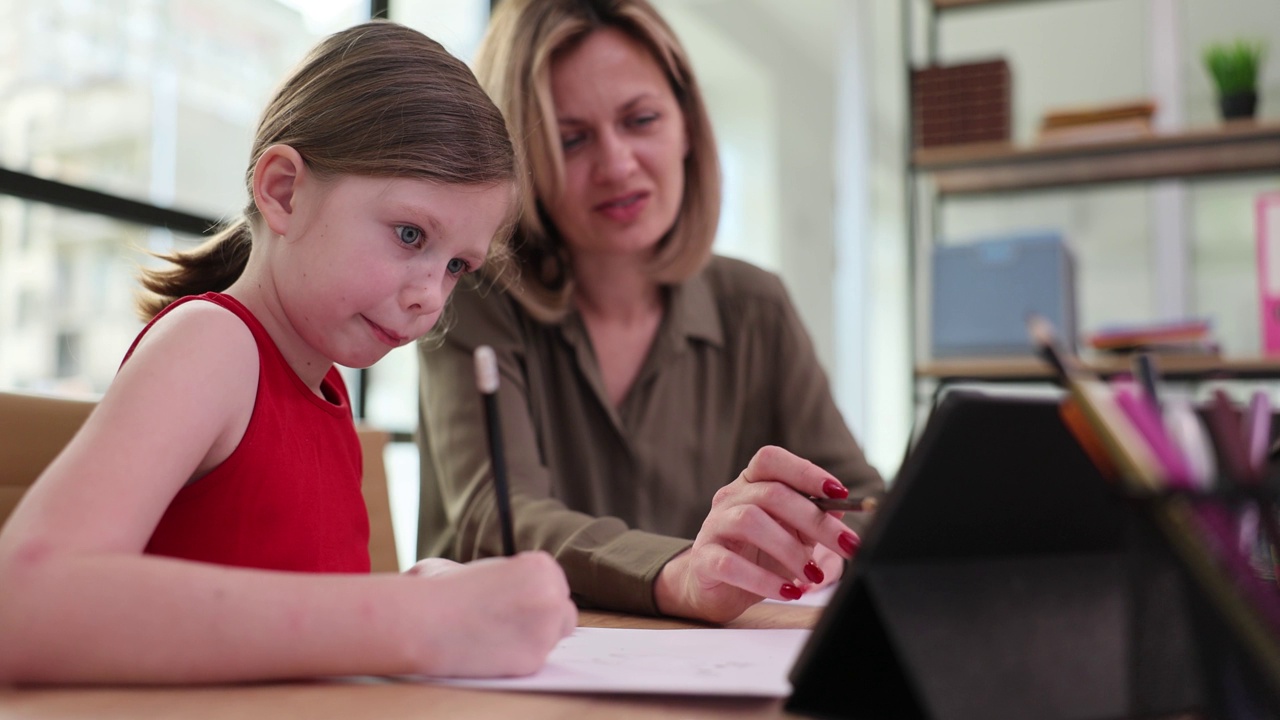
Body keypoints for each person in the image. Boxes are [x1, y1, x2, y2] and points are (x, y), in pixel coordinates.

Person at [0, 21, 576, 685]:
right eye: (411, 233)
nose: (431, 296)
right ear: (284, 192)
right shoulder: (213, 346)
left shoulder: (326, 396)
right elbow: (24, 602)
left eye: (458, 266)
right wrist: (411, 616)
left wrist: (428, 592)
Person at [416, 0, 885, 625]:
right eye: (571, 138)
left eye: (640, 120)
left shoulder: (756, 305)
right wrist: (682, 573)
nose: (616, 165)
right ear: (520, 162)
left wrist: (824, 541)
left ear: (688, 127)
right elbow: (499, 516)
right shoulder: (469, 295)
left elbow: (858, 496)